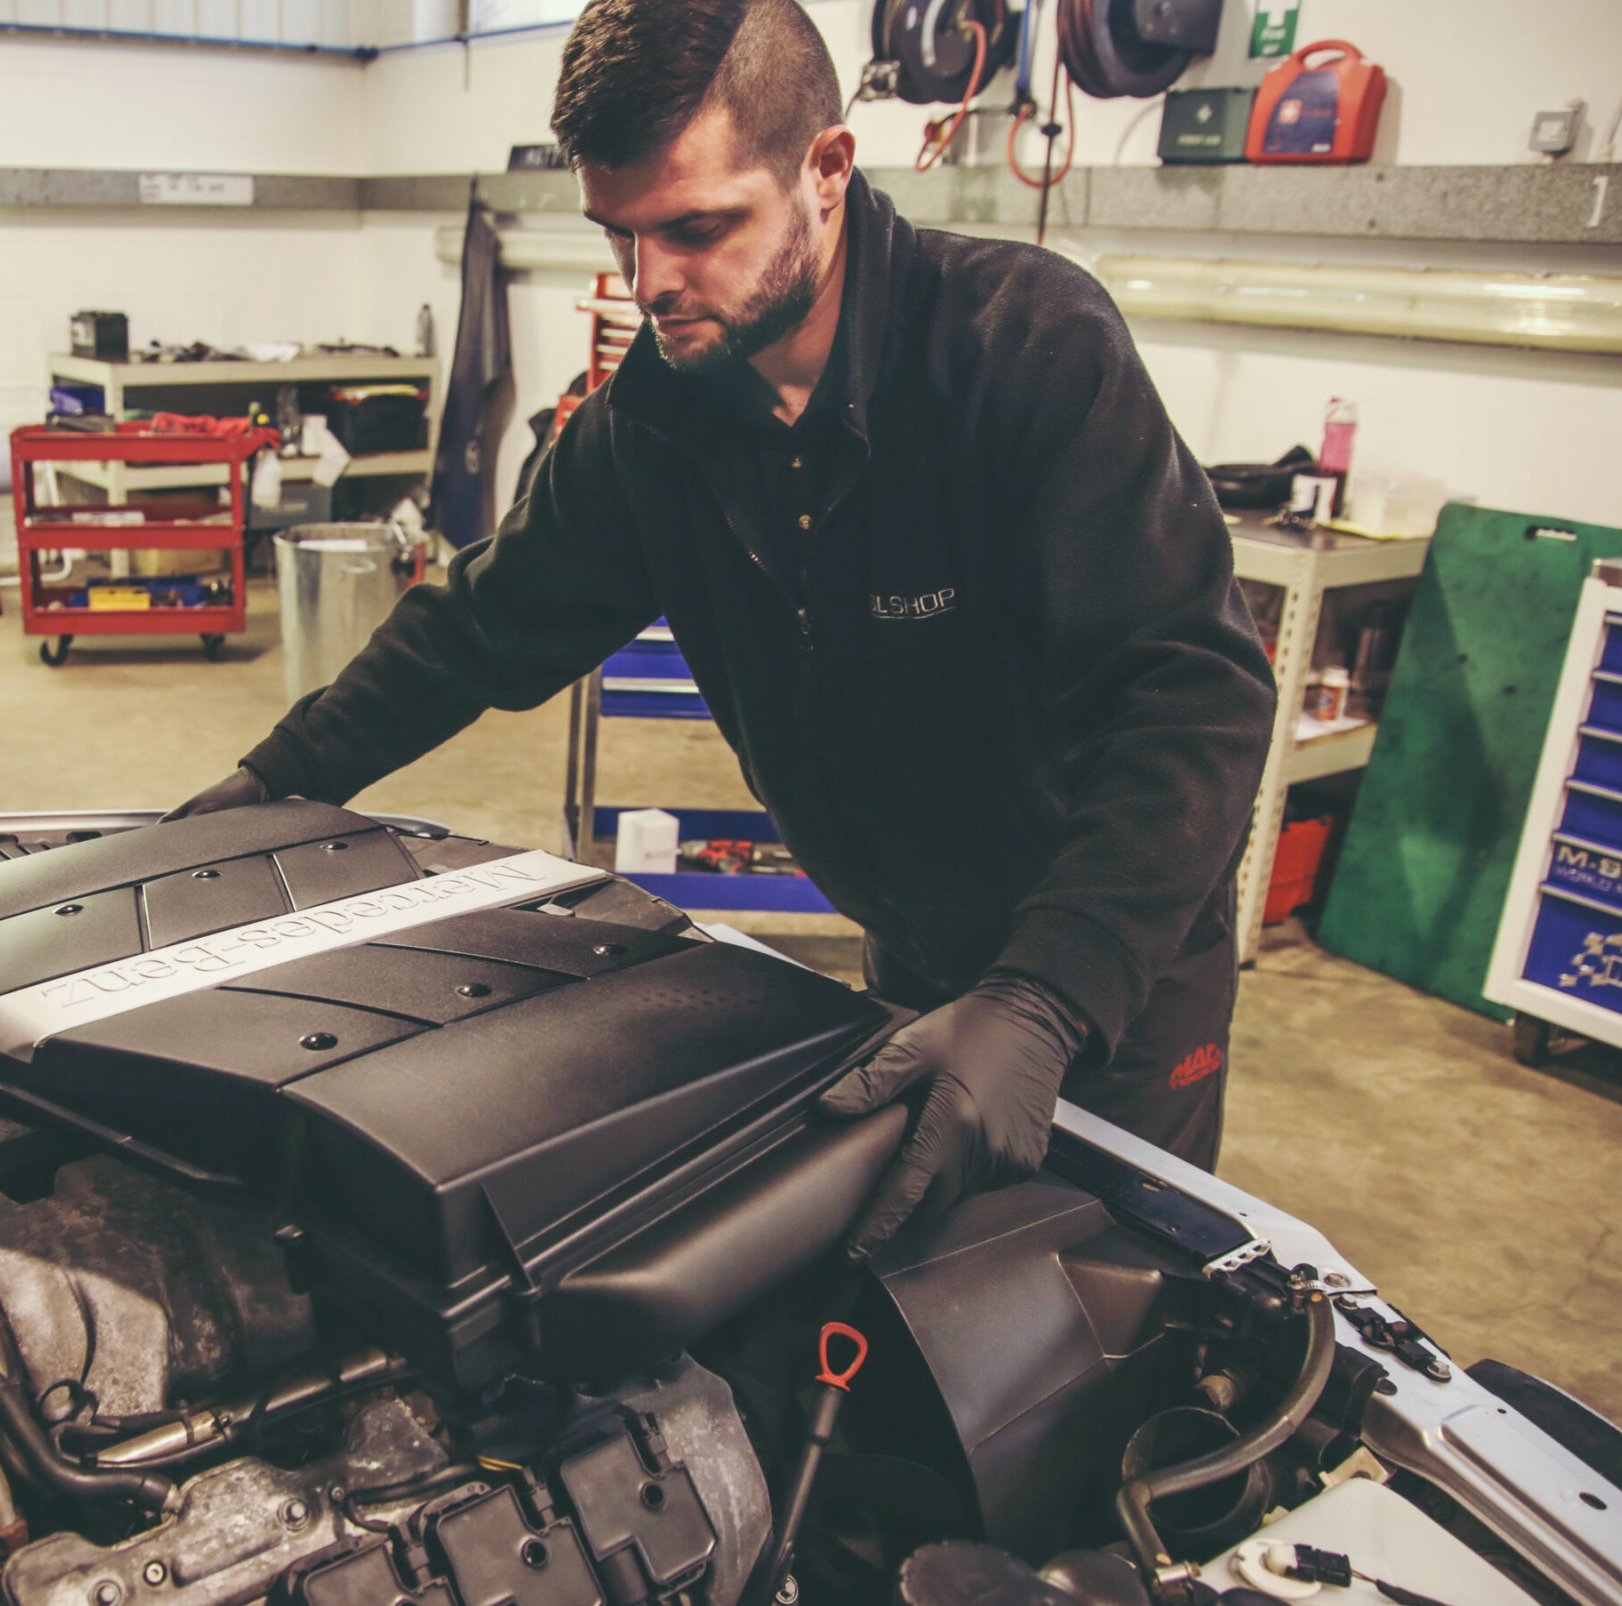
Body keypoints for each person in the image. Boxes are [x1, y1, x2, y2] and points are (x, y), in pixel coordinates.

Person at [170, 0, 1274, 1249]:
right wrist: (273, 782)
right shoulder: (657, 429)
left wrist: (1043, 998)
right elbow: (476, 629)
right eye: (620, 236)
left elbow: (1194, 693)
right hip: (911, 952)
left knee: (1109, 1309)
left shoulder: (1021, 349)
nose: (650, 286)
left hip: (1108, 965)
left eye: (696, 229)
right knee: (925, 1314)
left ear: (828, 171)